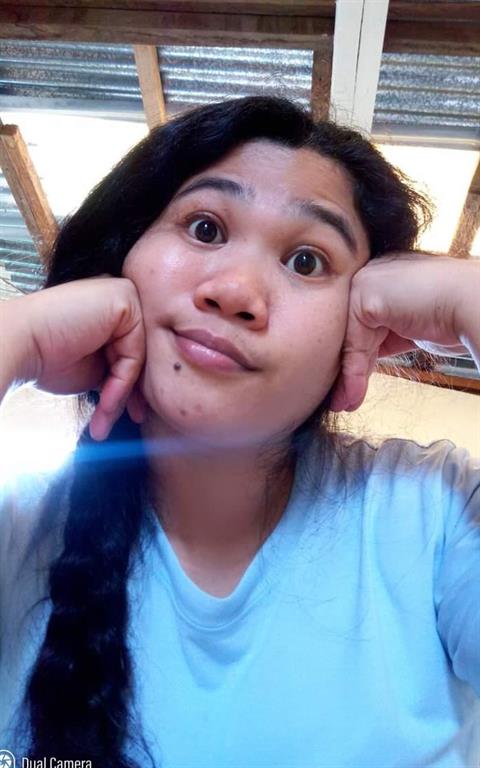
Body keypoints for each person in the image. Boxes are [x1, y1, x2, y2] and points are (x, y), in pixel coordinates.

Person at [0, 95, 478, 768]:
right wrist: (15, 337)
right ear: (120, 256)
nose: (235, 292)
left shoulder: (436, 516)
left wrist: (468, 298)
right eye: (204, 228)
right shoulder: (16, 534)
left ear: (361, 330)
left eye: (307, 261)